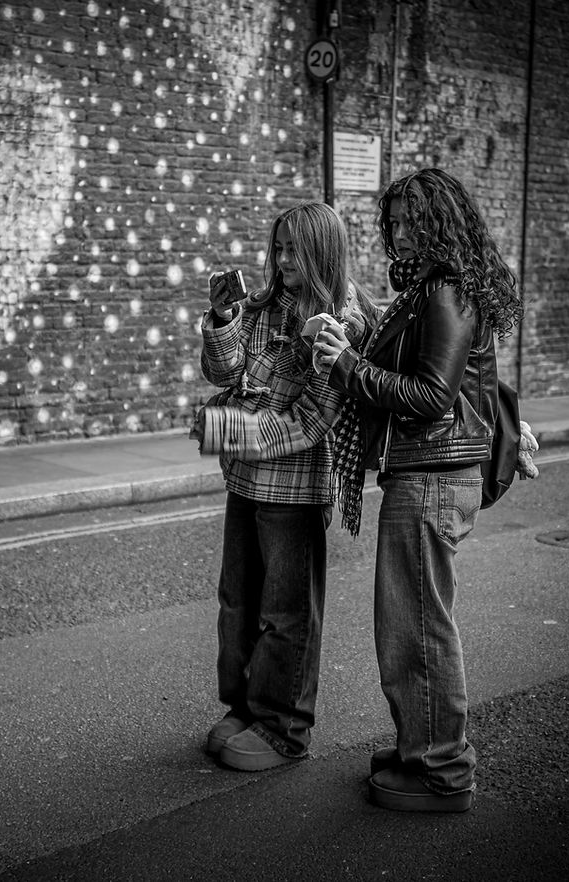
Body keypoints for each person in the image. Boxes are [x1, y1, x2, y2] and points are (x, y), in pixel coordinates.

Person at [311, 168, 524, 811]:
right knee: (405, 625)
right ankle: (420, 747)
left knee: (420, 626)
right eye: (393, 223)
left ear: (441, 222)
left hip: (433, 476)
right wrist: (355, 342)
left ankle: (441, 769)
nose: (398, 234)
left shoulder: (446, 292)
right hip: (423, 473)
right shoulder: (429, 290)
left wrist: (349, 367)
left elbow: (433, 396)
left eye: (411, 222)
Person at [191, 201, 378, 771]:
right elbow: (223, 372)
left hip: (294, 489)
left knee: (287, 613)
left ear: (324, 250)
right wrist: (223, 319)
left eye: (294, 249)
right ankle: (245, 709)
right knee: (238, 603)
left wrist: (224, 427)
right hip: (245, 478)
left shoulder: (345, 322)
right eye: (277, 248)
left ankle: (284, 728)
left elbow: (313, 419)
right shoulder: (269, 306)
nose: (282, 259)